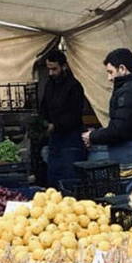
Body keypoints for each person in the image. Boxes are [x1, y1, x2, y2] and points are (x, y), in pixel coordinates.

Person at [82, 47, 132, 194]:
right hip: (130, 151)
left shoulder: (129, 92)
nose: (109, 78)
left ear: (122, 69)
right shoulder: (131, 89)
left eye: (110, 72)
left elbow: (119, 129)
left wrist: (92, 136)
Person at [39, 49, 86, 192]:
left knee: (70, 178)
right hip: (55, 140)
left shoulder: (74, 86)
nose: (51, 73)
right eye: (49, 69)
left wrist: (56, 125)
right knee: (54, 177)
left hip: (71, 139)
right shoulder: (49, 85)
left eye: (54, 69)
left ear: (64, 66)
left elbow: (74, 114)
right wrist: (43, 123)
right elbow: (44, 107)